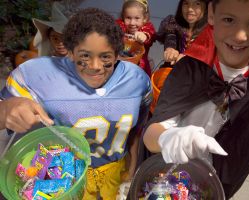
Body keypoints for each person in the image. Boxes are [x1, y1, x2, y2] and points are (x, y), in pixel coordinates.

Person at [143, 0, 249, 198]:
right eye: (229, 19)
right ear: (211, 12)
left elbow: (244, 156)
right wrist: (167, 137)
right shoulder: (190, 66)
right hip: (166, 170)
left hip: (210, 184)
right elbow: (151, 134)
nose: (240, 36)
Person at [0, 8, 151, 200]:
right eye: (85, 56)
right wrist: (5, 110)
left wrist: (132, 165)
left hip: (113, 175)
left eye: (105, 56)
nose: (95, 66)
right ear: (70, 52)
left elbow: (136, 128)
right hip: (60, 180)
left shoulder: (137, 80)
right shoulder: (35, 75)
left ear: (117, 53)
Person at [156, 0, 207, 66]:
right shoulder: (174, 24)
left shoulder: (211, 32)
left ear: (206, 7)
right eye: (186, 3)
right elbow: (171, 37)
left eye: (197, 3)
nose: (190, 9)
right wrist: (170, 49)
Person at [116, 0, 156, 77]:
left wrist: (144, 35)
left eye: (137, 18)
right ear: (123, 17)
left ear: (144, 18)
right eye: (128, 18)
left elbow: (151, 34)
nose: (132, 23)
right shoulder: (119, 25)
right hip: (119, 65)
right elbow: (113, 29)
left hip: (139, 67)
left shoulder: (147, 27)